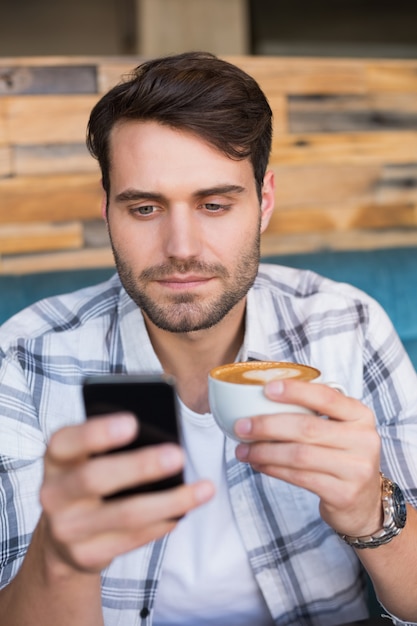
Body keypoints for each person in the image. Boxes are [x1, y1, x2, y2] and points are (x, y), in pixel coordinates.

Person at [0, 51, 417, 626]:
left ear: (264, 202)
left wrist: (374, 514)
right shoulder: (24, 358)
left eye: (215, 204)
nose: (182, 247)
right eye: (144, 208)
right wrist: (63, 558)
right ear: (106, 213)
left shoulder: (348, 325)